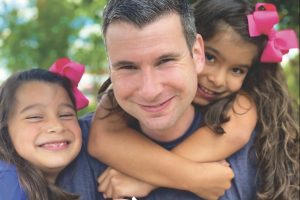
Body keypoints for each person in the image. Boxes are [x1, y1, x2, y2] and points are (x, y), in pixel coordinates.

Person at [88, 0, 299, 200]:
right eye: (211, 57)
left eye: (236, 70)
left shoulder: (244, 104)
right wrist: (193, 177)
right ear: (192, 48)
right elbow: (101, 140)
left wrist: (144, 179)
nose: (217, 79)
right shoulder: (127, 91)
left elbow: (232, 136)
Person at [0, 58, 103, 200]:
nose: (57, 126)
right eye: (35, 117)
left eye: (66, 114)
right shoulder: (7, 181)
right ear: (5, 129)